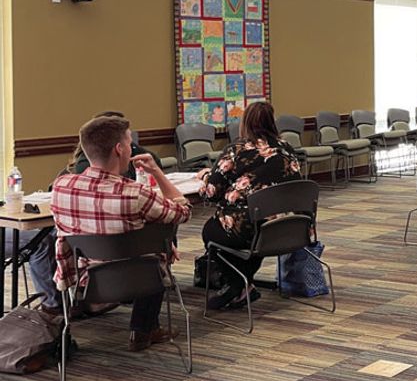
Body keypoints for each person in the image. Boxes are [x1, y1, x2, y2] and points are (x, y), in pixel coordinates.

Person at [51, 115, 191, 351]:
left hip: (88, 282)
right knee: (157, 246)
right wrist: (156, 171)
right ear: (119, 149)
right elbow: (183, 211)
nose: (131, 148)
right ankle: (143, 329)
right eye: (129, 143)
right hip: (140, 280)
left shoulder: (61, 187)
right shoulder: (135, 194)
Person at [199, 102, 302, 310]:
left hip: (250, 229)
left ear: (245, 123)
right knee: (257, 224)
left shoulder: (237, 150)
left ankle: (238, 283)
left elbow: (212, 191)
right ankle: (244, 284)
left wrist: (205, 177)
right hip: (285, 227)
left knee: (211, 231)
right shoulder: (287, 148)